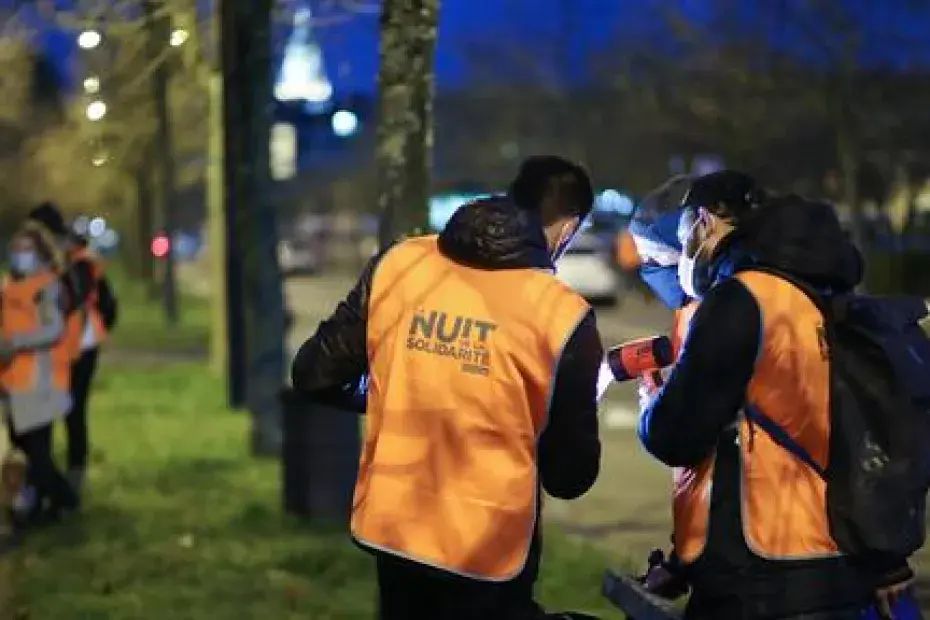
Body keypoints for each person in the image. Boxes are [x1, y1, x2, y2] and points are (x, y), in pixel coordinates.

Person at [292, 156, 604, 620]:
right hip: (488, 547)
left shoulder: (402, 263)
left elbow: (315, 372)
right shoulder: (561, 313)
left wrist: (392, 390)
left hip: (396, 527)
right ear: (568, 228)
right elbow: (570, 476)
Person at [637, 170, 916, 619]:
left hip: (761, 570)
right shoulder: (818, 294)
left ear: (705, 221)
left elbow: (676, 436)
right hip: (837, 559)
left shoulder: (740, 298)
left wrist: (651, 405)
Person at [27, 203, 117, 496]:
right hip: (69, 347)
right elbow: (108, 306)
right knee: (63, 412)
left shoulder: (73, 262)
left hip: (74, 348)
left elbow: (83, 302)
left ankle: (67, 482)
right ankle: (56, 479)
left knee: (71, 411)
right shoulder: (77, 258)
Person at [0, 224, 79, 524]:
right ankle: (39, 506)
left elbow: (54, 329)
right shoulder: (9, 287)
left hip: (39, 380)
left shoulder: (46, 287)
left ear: (40, 253)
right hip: (13, 380)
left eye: (26, 249)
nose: (20, 255)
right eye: (16, 249)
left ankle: (63, 499)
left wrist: (16, 343)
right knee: (24, 450)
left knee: (37, 454)